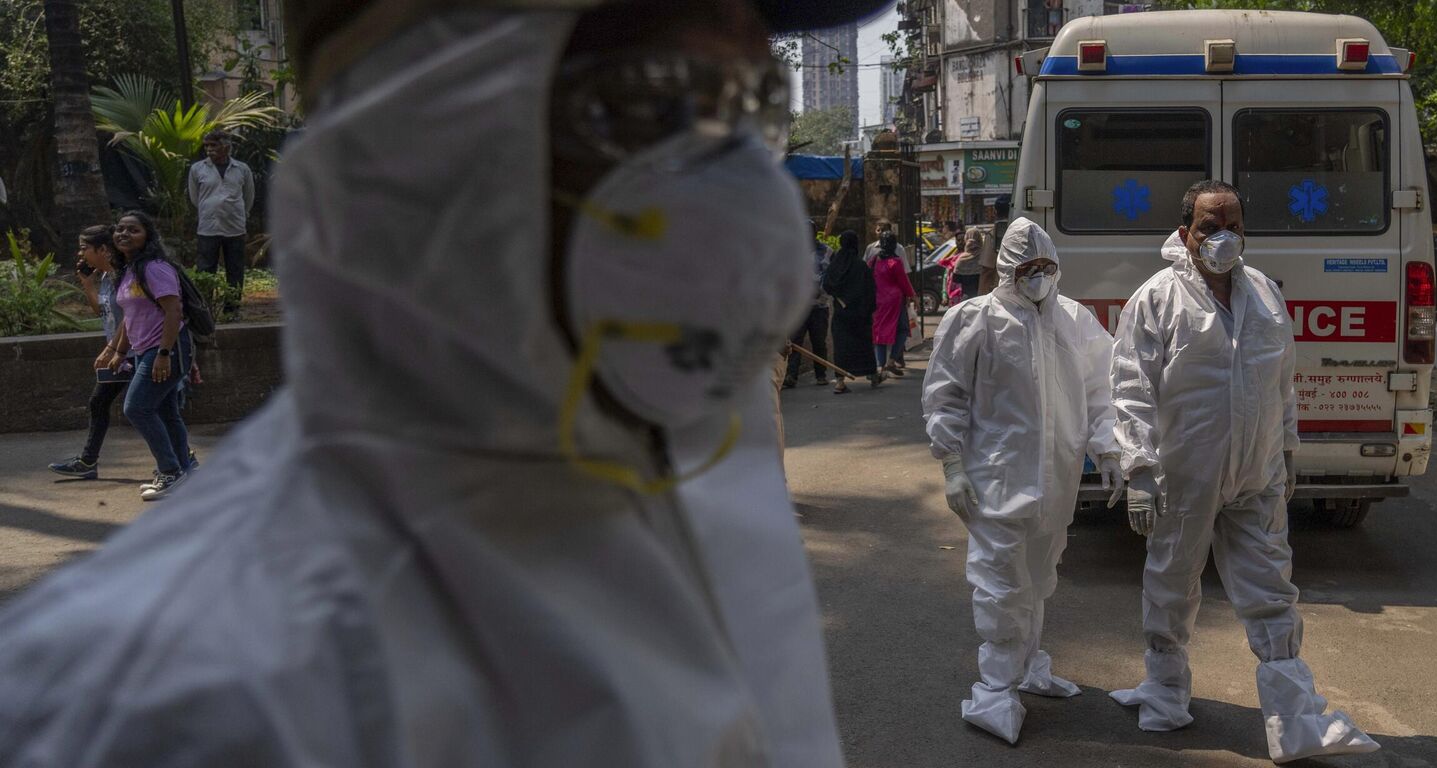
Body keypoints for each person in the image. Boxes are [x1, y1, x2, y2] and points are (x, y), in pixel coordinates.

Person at [0, 0, 887, 764]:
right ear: (424, 136)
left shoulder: (686, 492)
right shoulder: (165, 717)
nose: (736, 179)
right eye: (649, 99)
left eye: (746, 106)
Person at [1107, 180, 1379, 763]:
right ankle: (1165, 691)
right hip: (1186, 473)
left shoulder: (1263, 294)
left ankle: (1293, 718)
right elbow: (1131, 390)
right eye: (1210, 226)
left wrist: (1285, 449)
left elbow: (1282, 380)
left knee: (1271, 588)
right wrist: (1139, 470)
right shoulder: (1155, 300)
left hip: (1255, 472)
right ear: (1186, 233)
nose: (1222, 236)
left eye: (1232, 224)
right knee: (1172, 582)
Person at [923, 217, 1123, 744]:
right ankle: (995, 686)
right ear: (1008, 270)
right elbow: (945, 397)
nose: (1038, 277)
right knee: (1000, 583)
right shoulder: (974, 319)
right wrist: (951, 464)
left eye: (1046, 267)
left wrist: (1109, 448)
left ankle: (1028, 664)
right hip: (995, 480)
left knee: (1039, 576)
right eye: (1028, 268)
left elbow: (1103, 391)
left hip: (1056, 483)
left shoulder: (1075, 321)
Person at [98, 212, 197, 501]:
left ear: (147, 236)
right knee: (166, 412)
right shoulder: (130, 269)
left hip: (166, 348)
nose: (124, 234)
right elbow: (131, 316)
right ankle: (184, 472)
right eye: (120, 229)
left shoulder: (155, 268)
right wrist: (120, 350)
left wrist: (164, 354)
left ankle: (170, 471)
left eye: (133, 230)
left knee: (137, 408)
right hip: (145, 350)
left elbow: (173, 311)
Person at [46, 225, 131, 480]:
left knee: (147, 408)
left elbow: (132, 318)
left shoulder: (124, 277)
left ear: (103, 249)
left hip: (134, 352)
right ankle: (87, 461)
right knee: (101, 402)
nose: (81, 254)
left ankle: (180, 460)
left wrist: (112, 349)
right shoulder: (106, 278)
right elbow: (101, 312)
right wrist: (87, 283)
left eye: (85, 248)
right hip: (117, 354)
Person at [187, 128, 255, 311]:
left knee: (235, 269)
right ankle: (205, 309)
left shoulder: (242, 169)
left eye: (214, 145)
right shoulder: (197, 169)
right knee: (205, 269)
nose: (209, 150)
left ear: (226, 146)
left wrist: (239, 213)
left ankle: (232, 310)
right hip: (208, 227)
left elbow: (248, 197)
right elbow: (195, 198)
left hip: (235, 227)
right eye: (207, 146)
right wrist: (209, 208)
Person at [824, 228, 885, 393]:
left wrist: (840, 297)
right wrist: (868, 308)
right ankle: (872, 375)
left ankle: (840, 381)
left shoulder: (835, 265)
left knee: (842, 347)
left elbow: (827, 284)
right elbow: (870, 290)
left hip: (841, 314)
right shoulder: (861, 266)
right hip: (860, 315)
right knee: (863, 346)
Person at [784, 231, 833, 388]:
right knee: (795, 342)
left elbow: (832, 274)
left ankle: (821, 375)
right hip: (799, 306)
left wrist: (822, 290)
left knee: (818, 341)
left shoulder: (826, 251)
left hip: (819, 305)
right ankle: (791, 375)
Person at [870, 232, 914, 377]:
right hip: (895, 301)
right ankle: (892, 360)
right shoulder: (895, 262)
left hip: (878, 301)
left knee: (879, 332)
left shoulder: (874, 261)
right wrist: (913, 296)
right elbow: (904, 282)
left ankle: (880, 366)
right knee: (903, 329)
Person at [951, 221, 982, 299]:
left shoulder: (962, 259)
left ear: (966, 239)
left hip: (967, 298)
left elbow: (956, 279)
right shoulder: (984, 257)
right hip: (982, 297)